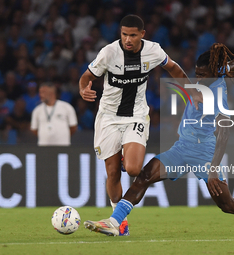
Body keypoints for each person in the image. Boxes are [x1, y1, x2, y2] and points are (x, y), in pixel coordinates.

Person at [84, 34, 234, 236]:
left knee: (227, 205)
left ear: (213, 73)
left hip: (204, 152)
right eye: (197, 74)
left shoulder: (216, 96)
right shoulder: (217, 72)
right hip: (182, 148)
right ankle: (115, 223)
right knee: (144, 177)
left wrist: (213, 170)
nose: (198, 79)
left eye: (202, 75)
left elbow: (224, 133)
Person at [79, 14, 200, 236]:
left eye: (133, 35)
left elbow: (173, 68)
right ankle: (119, 223)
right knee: (113, 172)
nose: (128, 39)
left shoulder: (153, 51)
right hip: (108, 118)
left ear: (142, 35)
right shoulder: (108, 53)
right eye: (124, 34)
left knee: (134, 169)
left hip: (136, 115)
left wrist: (190, 90)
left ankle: (128, 154)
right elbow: (86, 75)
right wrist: (83, 88)